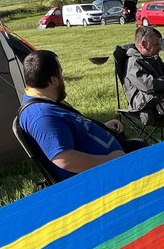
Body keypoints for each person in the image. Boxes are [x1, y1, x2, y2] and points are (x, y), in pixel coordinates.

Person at [18, 49, 128, 182]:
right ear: (53, 80)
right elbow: (65, 160)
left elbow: (70, 134)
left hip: (112, 165)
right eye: (61, 73)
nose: (62, 78)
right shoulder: (42, 116)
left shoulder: (48, 104)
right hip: (100, 178)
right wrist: (111, 161)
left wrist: (103, 127)